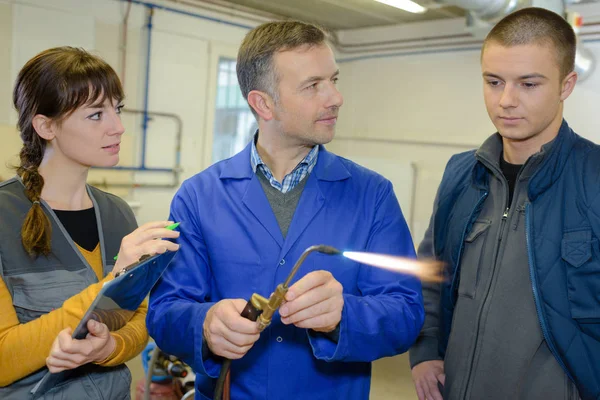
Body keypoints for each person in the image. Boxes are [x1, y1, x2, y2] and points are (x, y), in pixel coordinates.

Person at [147, 20, 424, 399]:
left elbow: (406, 313)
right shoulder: (198, 197)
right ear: (263, 103)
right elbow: (165, 313)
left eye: (334, 80)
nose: (335, 97)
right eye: (313, 86)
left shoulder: (372, 195)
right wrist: (206, 324)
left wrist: (344, 315)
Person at [409, 7, 600, 400]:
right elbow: (431, 271)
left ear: (566, 85)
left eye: (528, 84)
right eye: (494, 81)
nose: (506, 100)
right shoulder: (461, 174)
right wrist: (426, 349)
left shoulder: (594, 177)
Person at [0, 46, 180, 399]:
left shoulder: (118, 214)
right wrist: (110, 283)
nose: (118, 127)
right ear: (46, 125)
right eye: (96, 114)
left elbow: (140, 321)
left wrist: (109, 347)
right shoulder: (4, 215)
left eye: (117, 109)